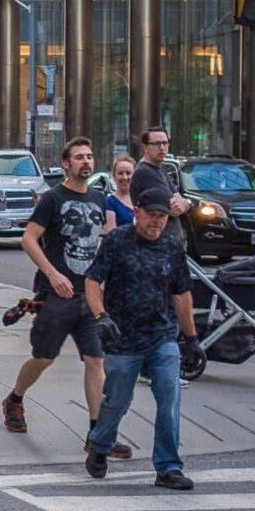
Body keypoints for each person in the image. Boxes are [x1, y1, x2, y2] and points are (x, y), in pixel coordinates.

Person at [1, 138, 128, 458]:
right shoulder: (53, 199)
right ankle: (14, 399)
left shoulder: (100, 199)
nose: (86, 161)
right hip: (56, 295)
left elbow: (99, 243)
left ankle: (97, 434)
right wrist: (53, 274)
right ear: (66, 164)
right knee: (44, 358)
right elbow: (29, 240)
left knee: (95, 359)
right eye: (79, 157)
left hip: (88, 295)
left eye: (89, 156)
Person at [83, 187, 204, 489]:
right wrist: (101, 316)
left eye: (163, 217)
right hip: (122, 338)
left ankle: (168, 467)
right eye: (152, 215)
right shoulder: (117, 241)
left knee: (169, 400)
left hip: (161, 336)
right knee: (118, 400)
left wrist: (191, 338)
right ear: (137, 212)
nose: (157, 222)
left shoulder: (172, 246)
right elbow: (92, 281)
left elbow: (181, 293)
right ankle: (99, 444)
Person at [130, 127, 190, 232]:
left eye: (165, 143)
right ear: (145, 147)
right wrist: (184, 203)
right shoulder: (145, 172)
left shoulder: (159, 169)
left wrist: (185, 203)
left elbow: (181, 202)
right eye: (157, 143)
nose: (162, 147)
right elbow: (173, 209)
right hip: (157, 240)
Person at [104, 154, 138, 228]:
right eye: (120, 173)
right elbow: (111, 234)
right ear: (114, 176)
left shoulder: (142, 200)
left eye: (128, 173)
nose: (125, 177)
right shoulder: (110, 202)